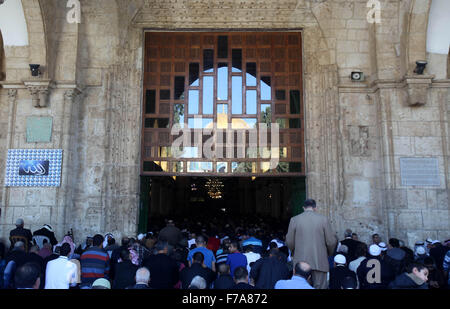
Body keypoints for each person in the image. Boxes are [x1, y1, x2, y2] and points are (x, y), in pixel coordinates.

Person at [285, 199, 338, 289]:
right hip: (319, 261)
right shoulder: (323, 219)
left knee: (300, 286)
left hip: (300, 263)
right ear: (315, 208)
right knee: (320, 287)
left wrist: (294, 252)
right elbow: (331, 241)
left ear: (303, 208)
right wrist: (328, 253)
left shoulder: (294, 220)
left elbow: (289, 241)